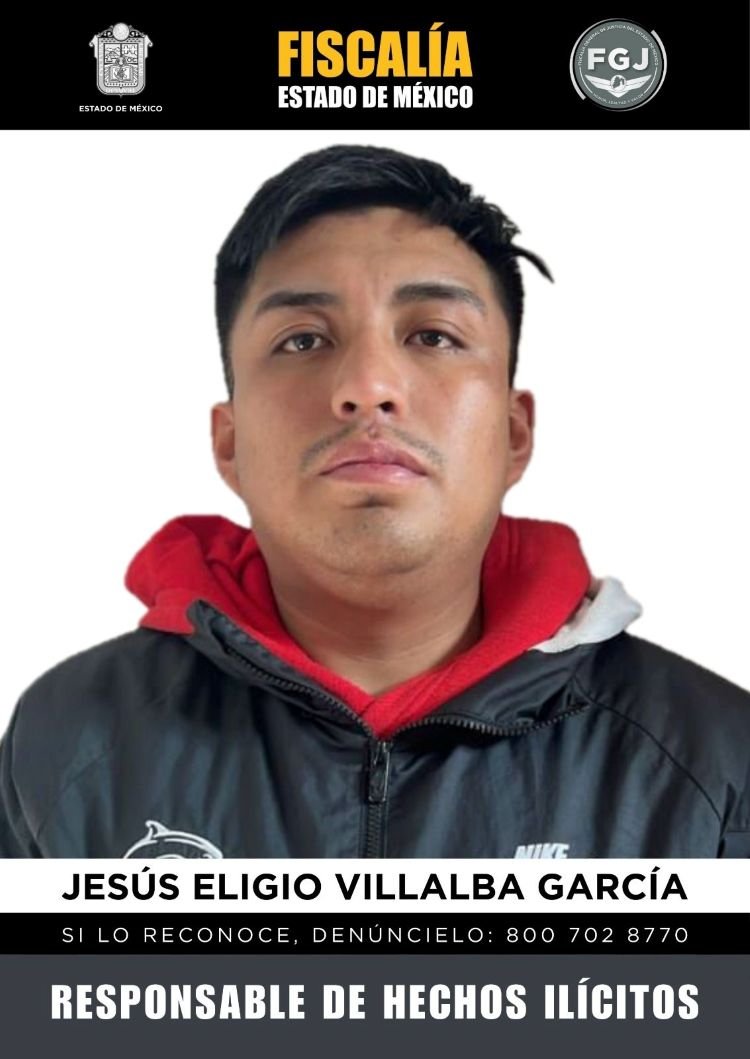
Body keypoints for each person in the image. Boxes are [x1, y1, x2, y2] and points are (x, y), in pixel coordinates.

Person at [1, 143, 749, 860]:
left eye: (433, 335)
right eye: (302, 340)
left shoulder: (715, 761)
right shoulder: (65, 742)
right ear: (229, 443)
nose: (369, 387)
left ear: (514, 434)